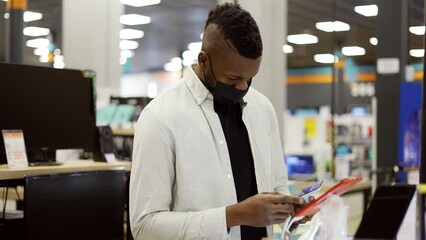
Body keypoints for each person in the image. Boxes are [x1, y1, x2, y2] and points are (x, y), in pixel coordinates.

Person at [130, 3, 306, 240]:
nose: (243, 87)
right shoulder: (160, 118)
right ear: (204, 61)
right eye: (233, 79)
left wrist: (294, 211)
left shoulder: (262, 109)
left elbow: (277, 189)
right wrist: (233, 215)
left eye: (250, 78)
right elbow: (144, 227)